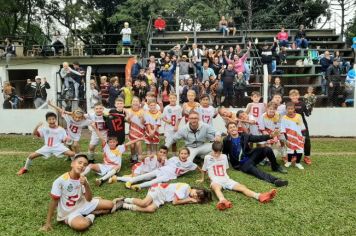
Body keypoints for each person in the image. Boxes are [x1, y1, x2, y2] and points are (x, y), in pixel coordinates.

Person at [40, 154, 121, 232]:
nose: (82, 165)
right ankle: (92, 215)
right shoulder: (60, 181)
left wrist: (85, 184)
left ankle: (89, 211)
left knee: (110, 205)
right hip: (69, 212)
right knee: (82, 225)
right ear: (72, 164)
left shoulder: (83, 178)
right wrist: (48, 223)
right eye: (80, 162)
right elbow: (53, 202)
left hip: (83, 203)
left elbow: (88, 199)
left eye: (85, 164)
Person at [199, 141, 277, 210]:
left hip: (226, 179)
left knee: (242, 187)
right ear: (212, 150)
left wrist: (226, 178)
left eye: (219, 152)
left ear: (221, 151)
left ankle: (259, 196)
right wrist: (202, 179)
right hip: (215, 181)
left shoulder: (224, 157)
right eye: (215, 152)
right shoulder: (207, 157)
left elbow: (225, 169)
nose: (217, 154)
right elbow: (204, 169)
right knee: (216, 188)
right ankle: (222, 201)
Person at [222, 122, 288, 187]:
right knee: (255, 170)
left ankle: (275, 167)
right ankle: (275, 180)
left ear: (237, 128)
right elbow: (224, 153)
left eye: (234, 127)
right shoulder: (226, 140)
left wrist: (270, 136)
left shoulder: (244, 135)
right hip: (241, 164)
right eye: (230, 128)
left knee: (267, 149)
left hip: (250, 156)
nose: (233, 129)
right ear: (228, 130)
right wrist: (224, 166)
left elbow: (257, 138)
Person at [118, 147, 199, 190]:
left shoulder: (190, 164)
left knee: (154, 181)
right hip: (161, 170)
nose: (183, 155)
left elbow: (199, 168)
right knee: (146, 176)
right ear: (179, 154)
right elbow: (165, 164)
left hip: (168, 176)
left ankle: (139, 186)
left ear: (188, 155)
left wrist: (202, 177)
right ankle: (130, 182)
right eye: (182, 153)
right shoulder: (174, 159)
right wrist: (163, 161)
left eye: (185, 154)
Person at [121, 182, 212, 213]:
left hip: (162, 198)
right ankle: (124, 199)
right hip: (158, 189)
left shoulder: (187, 195)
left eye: (197, 197)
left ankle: (124, 205)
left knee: (151, 209)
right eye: (197, 193)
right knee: (144, 203)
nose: (195, 195)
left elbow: (180, 200)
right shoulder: (186, 187)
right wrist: (189, 200)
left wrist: (190, 200)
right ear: (195, 188)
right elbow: (175, 202)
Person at [289, 89, 312, 165]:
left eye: (296, 95)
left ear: (298, 96)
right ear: (290, 97)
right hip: (292, 125)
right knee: (294, 140)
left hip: (302, 125)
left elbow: (307, 114)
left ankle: (307, 156)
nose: (294, 97)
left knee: (307, 140)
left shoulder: (302, 104)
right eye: (292, 95)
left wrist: (310, 107)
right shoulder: (288, 104)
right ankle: (294, 156)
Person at [281, 102, 306, 170]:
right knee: (290, 150)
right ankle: (289, 161)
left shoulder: (298, 116)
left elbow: (303, 127)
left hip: (299, 137)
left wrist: (304, 136)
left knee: (299, 150)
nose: (290, 110)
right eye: (288, 109)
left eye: (291, 109)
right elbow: (283, 130)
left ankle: (297, 163)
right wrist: (286, 139)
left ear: (294, 109)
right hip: (290, 137)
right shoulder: (284, 118)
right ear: (286, 109)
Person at [127, 96, 145, 163]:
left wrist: (142, 118)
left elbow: (143, 123)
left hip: (139, 131)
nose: (135, 102)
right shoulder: (129, 111)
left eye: (137, 101)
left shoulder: (142, 111)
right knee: (132, 145)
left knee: (138, 144)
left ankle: (140, 159)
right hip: (132, 130)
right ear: (131, 103)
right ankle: (133, 157)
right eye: (134, 101)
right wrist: (128, 118)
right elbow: (128, 122)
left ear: (139, 103)